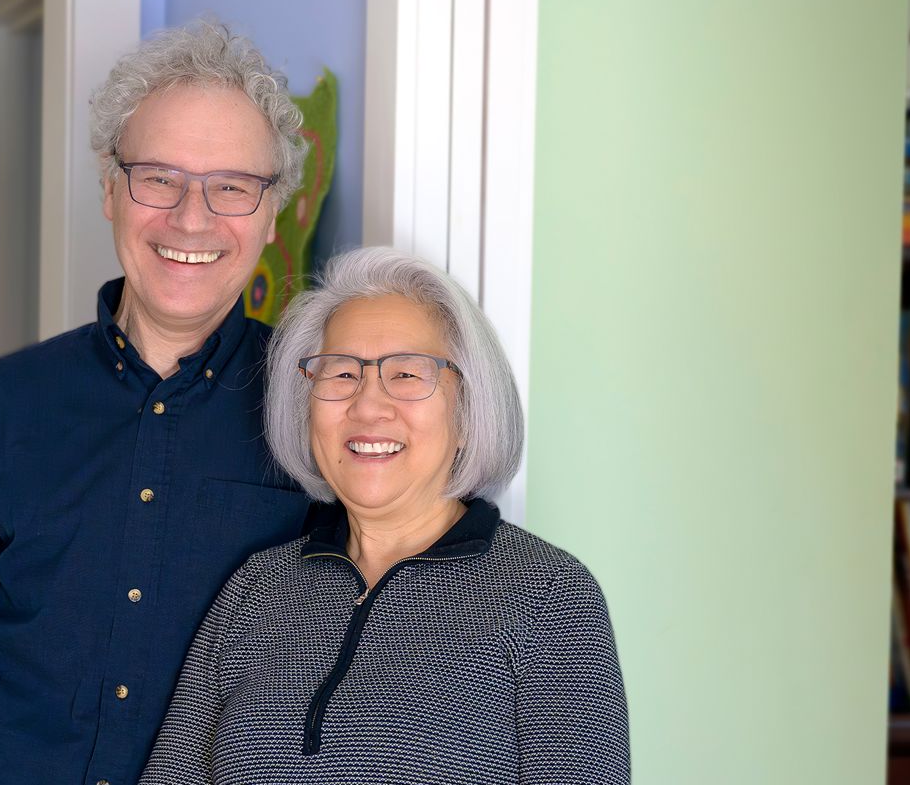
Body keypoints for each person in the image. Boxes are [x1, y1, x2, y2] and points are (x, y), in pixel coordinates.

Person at [0, 20, 313, 785]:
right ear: (109, 189)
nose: (192, 217)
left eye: (231, 186)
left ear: (272, 210)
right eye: (158, 177)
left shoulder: (318, 411)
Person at [139, 248, 631, 784]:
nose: (368, 406)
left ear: (468, 411)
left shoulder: (550, 597)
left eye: (407, 374)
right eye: (341, 373)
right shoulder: (254, 590)